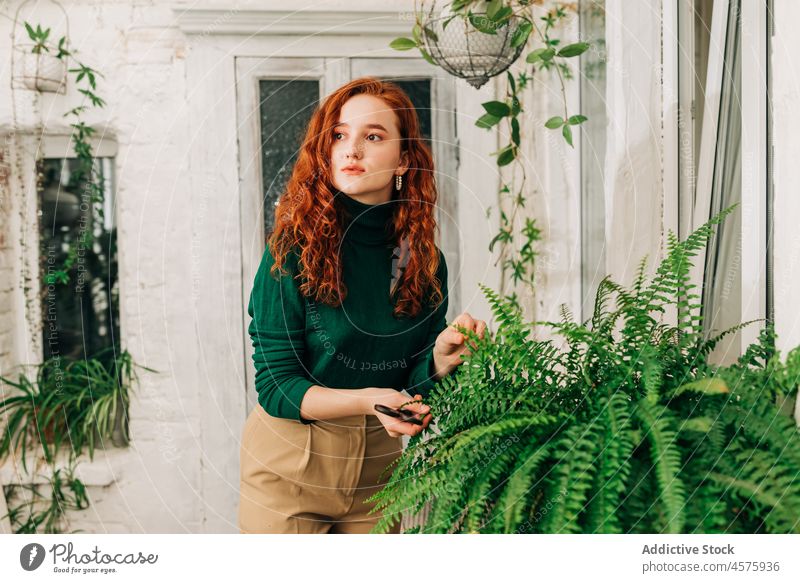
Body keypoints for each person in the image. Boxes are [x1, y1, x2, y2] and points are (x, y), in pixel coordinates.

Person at [238, 76, 486, 534]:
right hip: (289, 468)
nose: (351, 149)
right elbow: (276, 387)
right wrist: (369, 400)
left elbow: (410, 386)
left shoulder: (426, 262)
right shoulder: (291, 251)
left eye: (372, 136)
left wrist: (440, 360)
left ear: (403, 159)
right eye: (339, 135)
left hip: (380, 472)